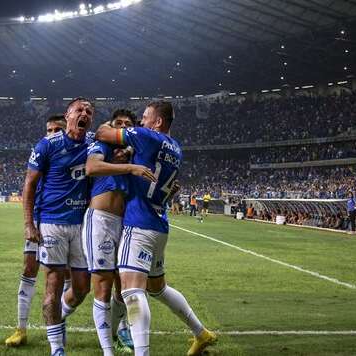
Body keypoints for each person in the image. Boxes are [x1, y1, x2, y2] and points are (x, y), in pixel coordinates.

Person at [96, 101, 217, 356]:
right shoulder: (176, 149)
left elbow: (102, 133)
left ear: (158, 122)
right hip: (159, 224)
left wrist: (114, 125)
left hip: (138, 223)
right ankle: (201, 333)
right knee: (157, 288)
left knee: (131, 291)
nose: (141, 120)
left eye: (145, 116)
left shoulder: (146, 136)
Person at [23, 98, 94, 356]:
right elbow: (30, 184)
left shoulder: (94, 144)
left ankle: (58, 317)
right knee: (53, 283)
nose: (84, 114)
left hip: (81, 224)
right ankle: (57, 349)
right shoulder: (48, 145)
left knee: (82, 287)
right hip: (52, 223)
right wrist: (29, 224)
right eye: (79, 110)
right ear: (68, 115)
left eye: (88, 111)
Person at [84, 109, 152, 354]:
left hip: (125, 224)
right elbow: (91, 168)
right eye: (118, 124)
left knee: (124, 287)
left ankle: (119, 331)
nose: (122, 128)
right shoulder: (101, 146)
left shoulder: (132, 156)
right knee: (101, 286)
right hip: (100, 221)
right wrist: (129, 167)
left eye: (127, 125)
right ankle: (107, 351)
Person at [5, 115, 68, 347]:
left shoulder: (73, 154)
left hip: (66, 223)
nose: (52, 133)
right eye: (49, 129)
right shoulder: (41, 154)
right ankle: (21, 328)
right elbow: (29, 187)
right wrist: (29, 223)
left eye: (57, 129)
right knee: (29, 267)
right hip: (41, 221)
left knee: (67, 277)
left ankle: (60, 325)